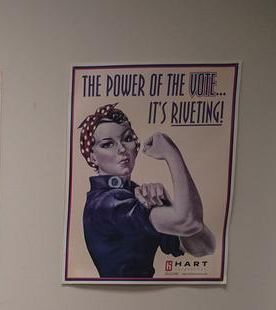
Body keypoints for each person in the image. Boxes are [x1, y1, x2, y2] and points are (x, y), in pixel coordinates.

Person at [77, 103, 215, 278]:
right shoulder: (107, 203)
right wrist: (172, 154)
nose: (121, 149)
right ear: (92, 157)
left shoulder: (133, 194)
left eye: (127, 139)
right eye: (107, 144)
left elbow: (204, 247)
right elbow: (189, 222)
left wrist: (168, 203)